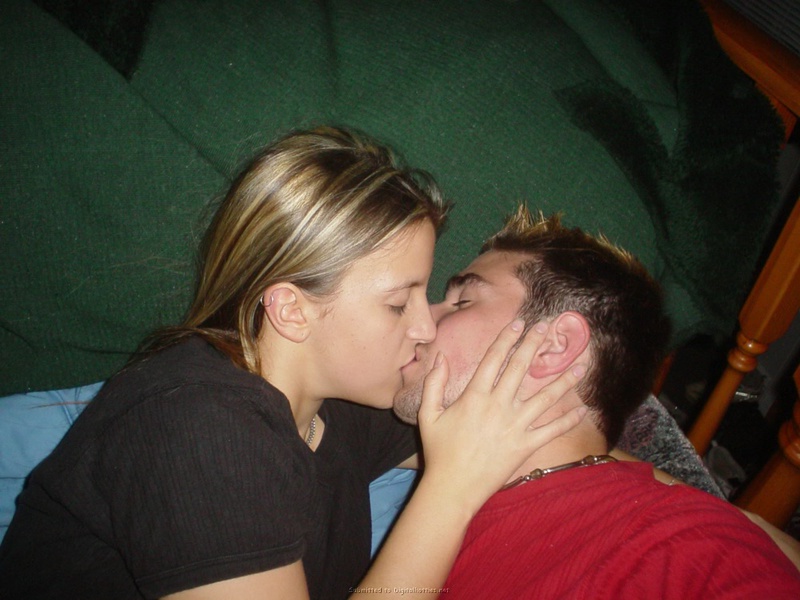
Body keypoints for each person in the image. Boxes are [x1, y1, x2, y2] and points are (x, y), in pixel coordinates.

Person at [0, 128, 586, 600]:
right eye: (396, 303)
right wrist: (449, 493)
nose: (425, 327)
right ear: (291, 310)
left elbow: (516, 435)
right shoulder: (200, 427)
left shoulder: (333, 408)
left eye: (425, 293)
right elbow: (463, 466)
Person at [393, 206, 800, 598]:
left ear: (554, 345)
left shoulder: (688, 548)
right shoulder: (429, 466)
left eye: (463, 301)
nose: (423, 320)